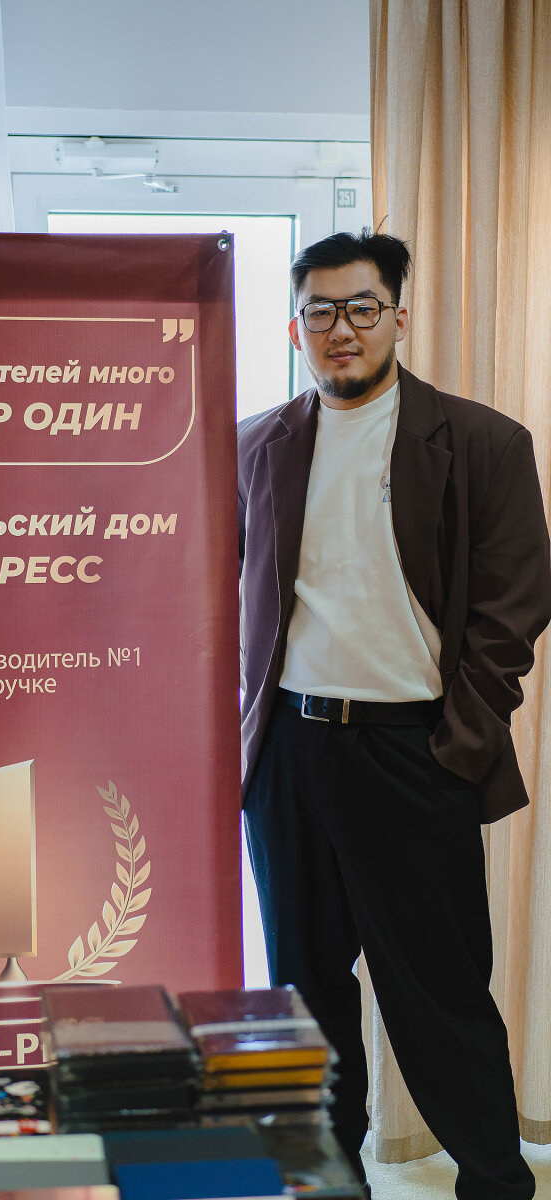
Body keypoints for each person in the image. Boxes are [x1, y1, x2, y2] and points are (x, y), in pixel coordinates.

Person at [238, 230, 551, 1200]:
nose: (341, 328)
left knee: (440, 995)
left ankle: (494, 1183)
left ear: (398, 318)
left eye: (361, 308)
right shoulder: (253, 445)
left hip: (415, 752)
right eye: (320, 311)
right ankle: (330, 1182)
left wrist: (461, 742)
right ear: (296, 327)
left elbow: (513, 607)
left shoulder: (482, 443)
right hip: (290, 755)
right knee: (303, 995)